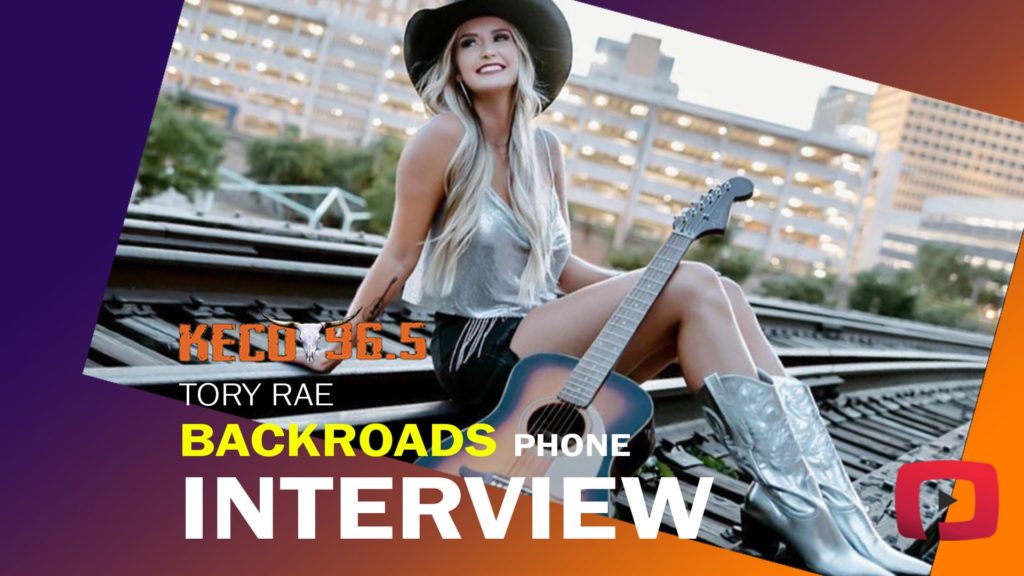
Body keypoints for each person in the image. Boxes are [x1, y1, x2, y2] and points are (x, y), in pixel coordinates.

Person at [302, 1, 929, 574]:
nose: (485, 50)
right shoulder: (442, 139)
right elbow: (399, 253)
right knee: (693, 287)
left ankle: (835, 513)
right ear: (455, 67)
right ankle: (804, 517)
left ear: (523, 57)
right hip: (478, 347)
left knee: (719, 289)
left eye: (500, 38)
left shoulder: (543, 150)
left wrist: (659, 279)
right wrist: (338, 341)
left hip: (539, 340)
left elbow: (562, 267)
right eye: (468, 44)